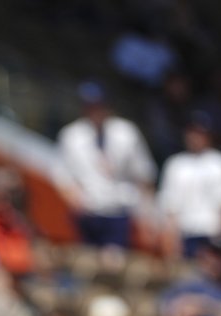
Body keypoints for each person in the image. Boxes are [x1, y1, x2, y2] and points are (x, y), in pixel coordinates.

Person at [52, 81, 155, 249]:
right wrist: (74, 199)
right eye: (89, 105)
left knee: (115, 263)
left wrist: (146, 215)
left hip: (120, 211)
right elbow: (61, 175)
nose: (95, 110)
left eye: (99, 104)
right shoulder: (71, 136)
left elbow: (144, 174)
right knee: (88, 264)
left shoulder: (127, 132)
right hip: (88, 212)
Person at [157, 112, 221, 257]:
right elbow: (169, 206)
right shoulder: (175, 164)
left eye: (200, 133)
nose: (195, 137)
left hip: (210, 235)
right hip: (183, 235)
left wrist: (220, 240)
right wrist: (171, 240)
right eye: (192, 132)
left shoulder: (220, 164)